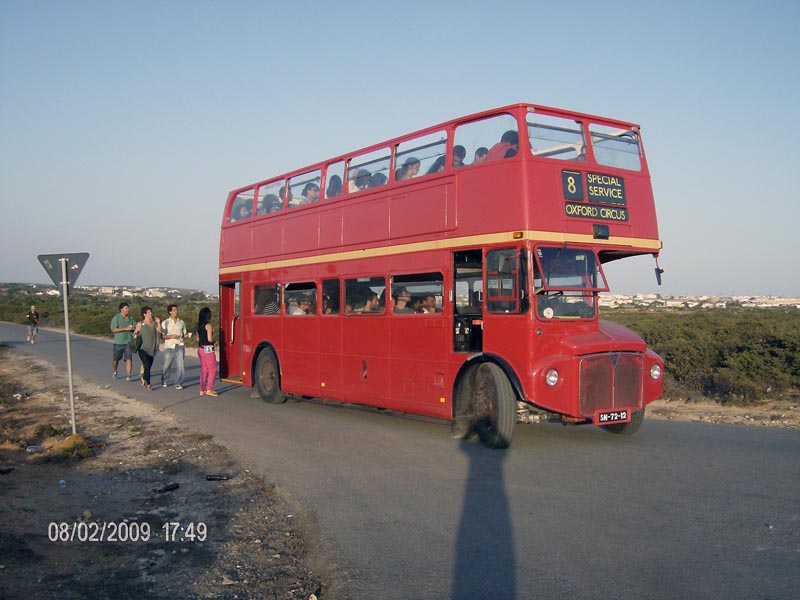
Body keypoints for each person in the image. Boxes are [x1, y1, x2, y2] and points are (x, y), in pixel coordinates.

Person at [160, 304, 191, 390]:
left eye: (176, 310)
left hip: (179, 345)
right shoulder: (165, 322)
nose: (176, 312)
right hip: (169, 345)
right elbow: (162, 336)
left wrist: (187, 336)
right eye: (174, 310)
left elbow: (184, 334)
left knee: (180, 365)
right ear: (170, 312)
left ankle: (179, 383)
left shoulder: (181, 322)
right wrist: (171, 336)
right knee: (167, 365)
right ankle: (164, 380)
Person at [132, 306, 160, 391]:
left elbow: (159, 332)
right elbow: (134, 333)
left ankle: (144, 377)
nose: (150, 314)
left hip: (152, 348)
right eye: (148, 312)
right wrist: (135, 335)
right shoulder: (140, 324)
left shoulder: (154, 323)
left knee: (148, 366)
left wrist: (158, 322)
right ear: (144, 314)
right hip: (142, 348)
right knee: (147, 365)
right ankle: (148, 383)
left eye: (150, 312)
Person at [110, 302, 136, 380]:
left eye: (128, 308)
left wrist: (133, 329)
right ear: (121, 309)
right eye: (126, 308)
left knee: (129, 358)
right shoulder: (116, 318)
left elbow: (136, 326)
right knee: (116, 359)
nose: (128, 310)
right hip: (119, 342)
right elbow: (113, 329)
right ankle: (115, 371)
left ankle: (128, 375)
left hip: (128, 341)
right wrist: (125, 328)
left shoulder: (131, 318)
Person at [196, 307, 218, 396]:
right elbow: (209, 338)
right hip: (208, 349)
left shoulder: (199, 326)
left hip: (200, 349)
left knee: (204, 369)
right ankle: (210, 389)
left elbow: (197, 338)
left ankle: (203, 389)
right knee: (212, 369)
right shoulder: (208, 325)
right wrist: (214, 341)